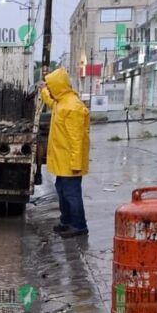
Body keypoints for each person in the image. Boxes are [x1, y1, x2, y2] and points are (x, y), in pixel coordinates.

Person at [41, 67, 90, 238]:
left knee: (71, 194)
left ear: (58, 86)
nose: (50, 90)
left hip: (70, 163)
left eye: (50, 86)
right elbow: (50, 101)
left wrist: (76, 164)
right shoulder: (62, 102)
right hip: (64, 162)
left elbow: (77, 139)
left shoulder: (73, 107)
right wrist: (43, 90)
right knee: (62, 190)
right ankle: (66, 221)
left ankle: (78, 225)